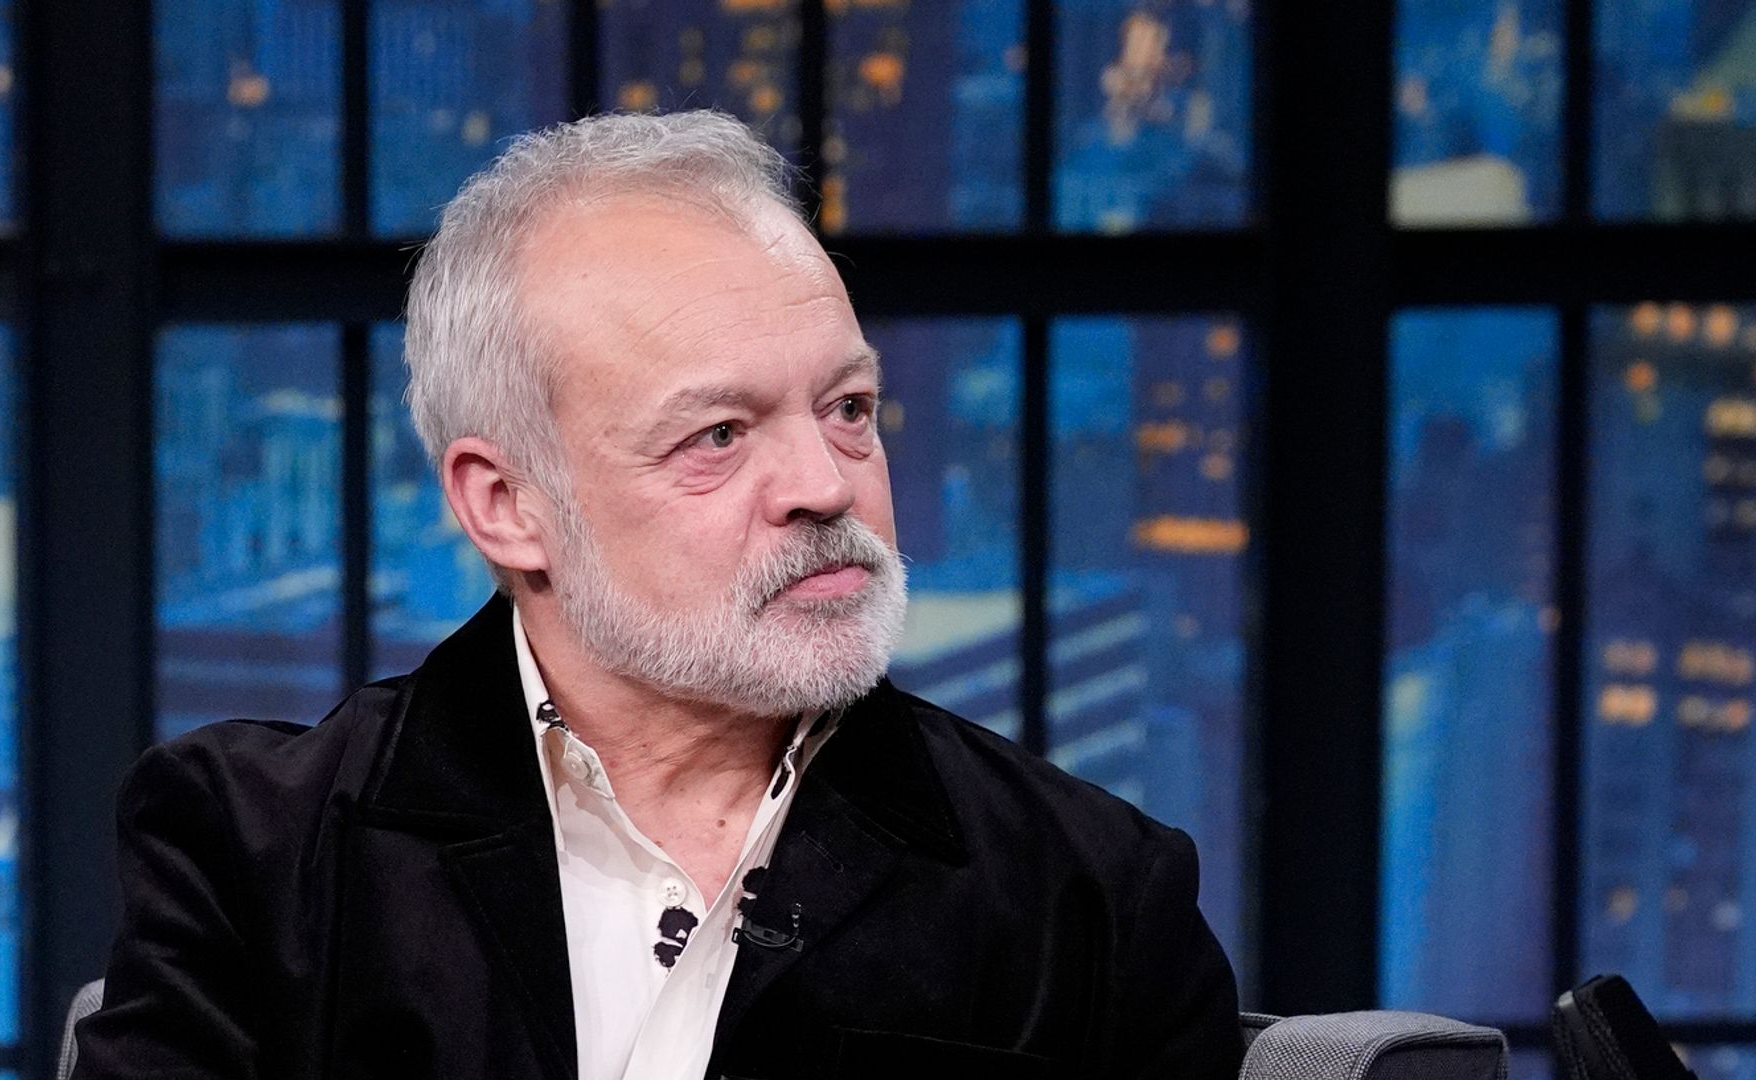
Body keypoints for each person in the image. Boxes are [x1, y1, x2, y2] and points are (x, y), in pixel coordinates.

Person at [73, 109, 1243, 1080]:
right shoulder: (252, 850)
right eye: (719, 434)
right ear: (507, 505)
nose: (825, 485)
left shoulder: (1089, 895)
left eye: (848, 409)